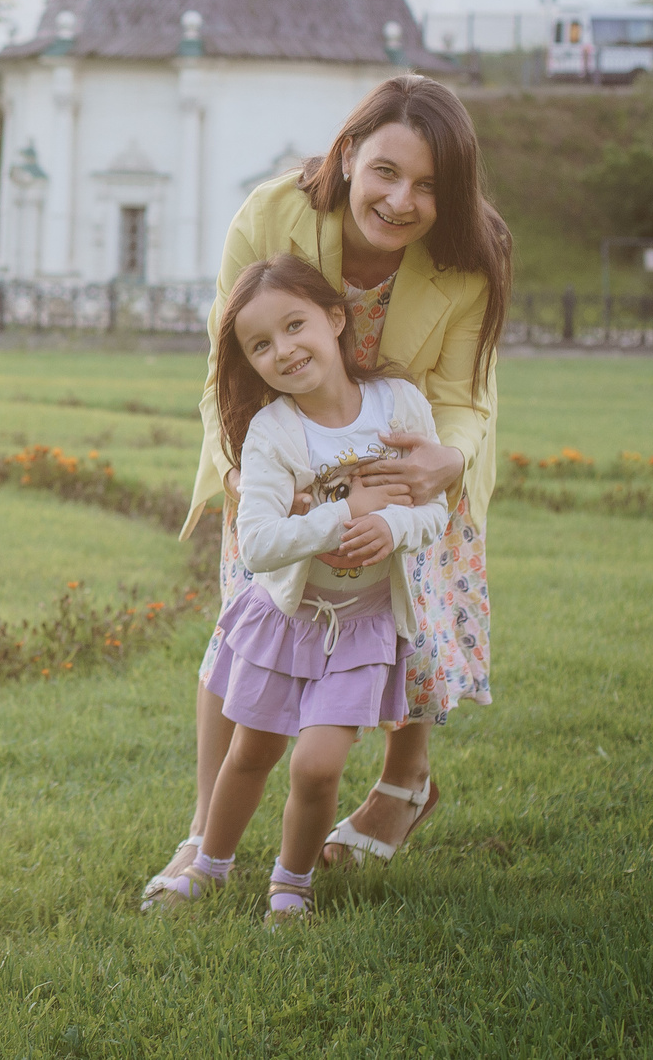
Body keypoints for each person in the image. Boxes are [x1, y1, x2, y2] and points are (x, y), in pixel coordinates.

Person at [148, 75, 512, 897]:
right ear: (347, 155)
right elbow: (224, 365)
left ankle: (404, 781)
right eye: (385, 170)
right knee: (249, 625)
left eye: (428, 185)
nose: (401, 199)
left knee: (409, 617)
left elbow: (463, 395)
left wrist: (446, 461)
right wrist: (242, 473)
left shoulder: (468, 255)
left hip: (404, 445)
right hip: (282, 449)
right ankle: (205, 830)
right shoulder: (270, 214)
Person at [145, 254, 451, 922]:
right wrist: (345, 513)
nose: (283, 350)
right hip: (287, 619)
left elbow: (435, 510)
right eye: (261, 344)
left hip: (362, 627)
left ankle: (291, 885)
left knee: (316, 765)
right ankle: (210, 865)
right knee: (251, 752)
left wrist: (391, 525)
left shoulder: (399, 404)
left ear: (335, 319)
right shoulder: (274, 431)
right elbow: (257, 543)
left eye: (294, 325)